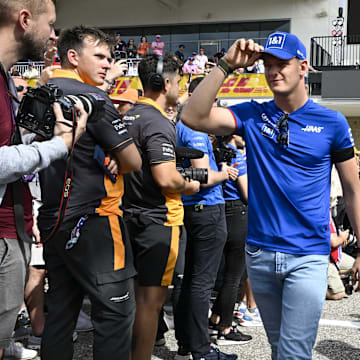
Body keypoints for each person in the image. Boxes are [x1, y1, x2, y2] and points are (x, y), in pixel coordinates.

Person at [181, 32, 360, 360]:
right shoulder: (252, 114)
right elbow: (192, 117)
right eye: (268, 64)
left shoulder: (332, 122)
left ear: (303, 67)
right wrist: (225, 66)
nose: (274, 71)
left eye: (283, 64)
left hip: (307, 256)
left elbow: (352, 190)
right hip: (261, 256)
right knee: (280, 349)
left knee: (293, 354)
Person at [37, 25, 142, 360]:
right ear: (73, 56)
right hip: (94, 220)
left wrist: (103, 153)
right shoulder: (92, 98)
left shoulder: (40, 92)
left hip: (52, 218)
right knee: (116, 314)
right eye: (98, 56)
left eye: (110, 58)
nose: (106, 64)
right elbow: (134, 160)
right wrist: (115, 157)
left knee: (60, 315)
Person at [0, 1, 88, 359]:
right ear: (24, 20)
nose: (53, 34)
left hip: (13, 228)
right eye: (50, 24)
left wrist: (41, 139)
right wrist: (57, 146)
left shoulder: (5, 79)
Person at [121, 53, 200, 360]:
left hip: (128, 217)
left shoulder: (127, 116)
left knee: (131, 300)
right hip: (157, 221)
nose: (179, 85)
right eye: (178, 80)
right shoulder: (157, 121)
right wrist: (189, 184)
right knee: (149, 304)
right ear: (165, 83)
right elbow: (167, 179)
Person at [175, 77, 244, 360]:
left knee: (189, 281)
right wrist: (224, 173)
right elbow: (202, 177)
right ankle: (201, 350)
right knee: (201, 284)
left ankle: (186, 345)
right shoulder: (194, 130)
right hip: (206, 208)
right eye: (212, 99)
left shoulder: (179, 126)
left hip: (192, 209)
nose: (214, 105)